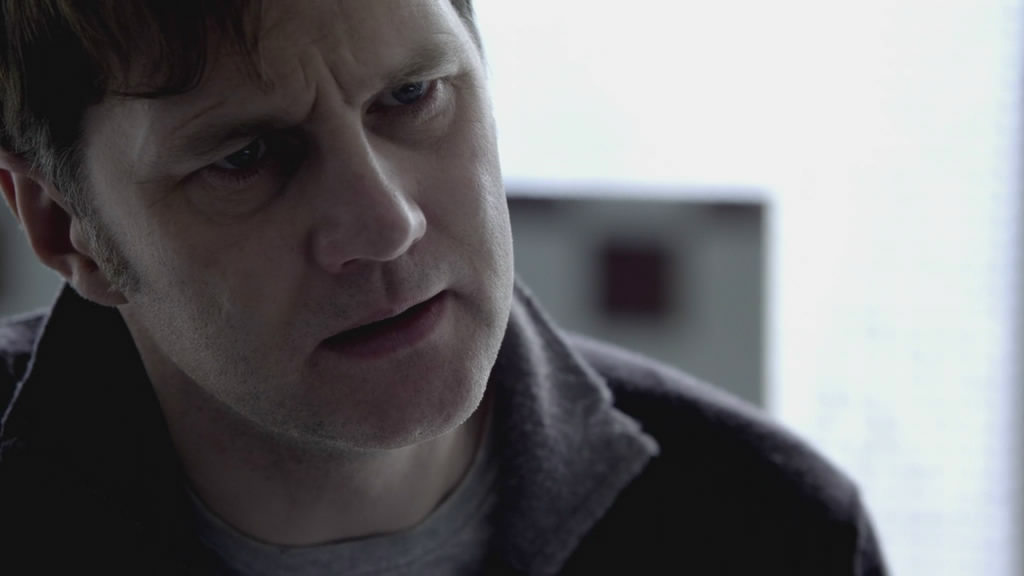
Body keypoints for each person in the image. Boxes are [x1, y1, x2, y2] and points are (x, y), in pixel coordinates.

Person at [0, 1, 888, 574]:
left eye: (413, 94)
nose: (386, 224)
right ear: (63, 225)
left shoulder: (778, 534)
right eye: (246, 157)